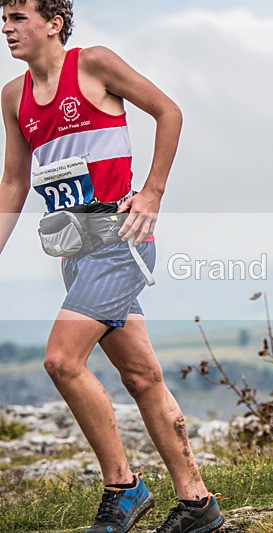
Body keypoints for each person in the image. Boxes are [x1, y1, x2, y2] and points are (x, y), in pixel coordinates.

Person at [0, 1, 223, 531]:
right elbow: (14, 181)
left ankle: (124, 486)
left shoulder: (94, 64)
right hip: (74, 250)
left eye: (17, 18)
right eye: (3, 19)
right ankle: (198, 506)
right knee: (142, 376)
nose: (6, 29)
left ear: (53, 23)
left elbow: (169, 111)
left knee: (61, 360)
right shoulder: (13, 97)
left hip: (120, 241)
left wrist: (152, 191)